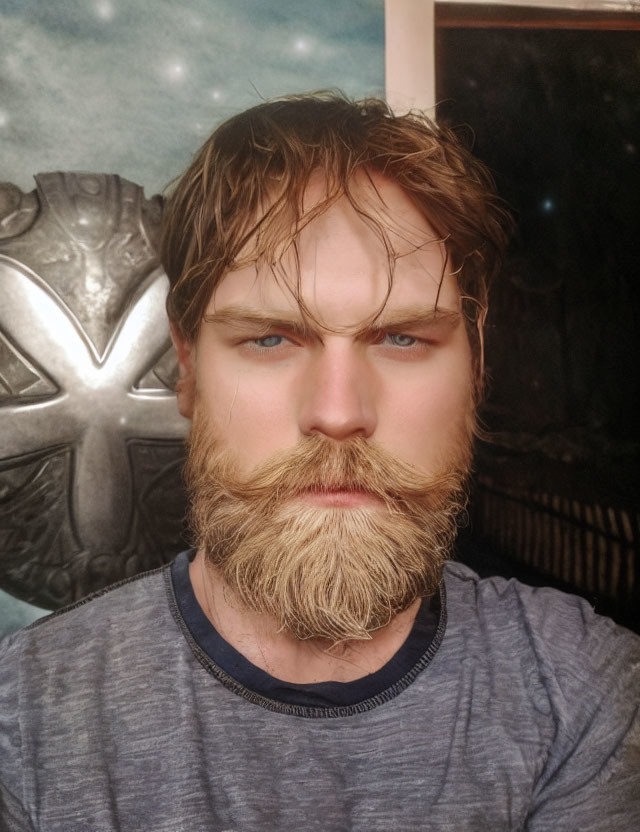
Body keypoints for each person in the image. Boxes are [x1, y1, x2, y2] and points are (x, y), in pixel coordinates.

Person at [1, 93, 638, 831]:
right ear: (187, 365)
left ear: (479, 363)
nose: (338, 412)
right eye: (271, 338)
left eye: (401, 338)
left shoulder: (584, 696)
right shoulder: (24, 727)